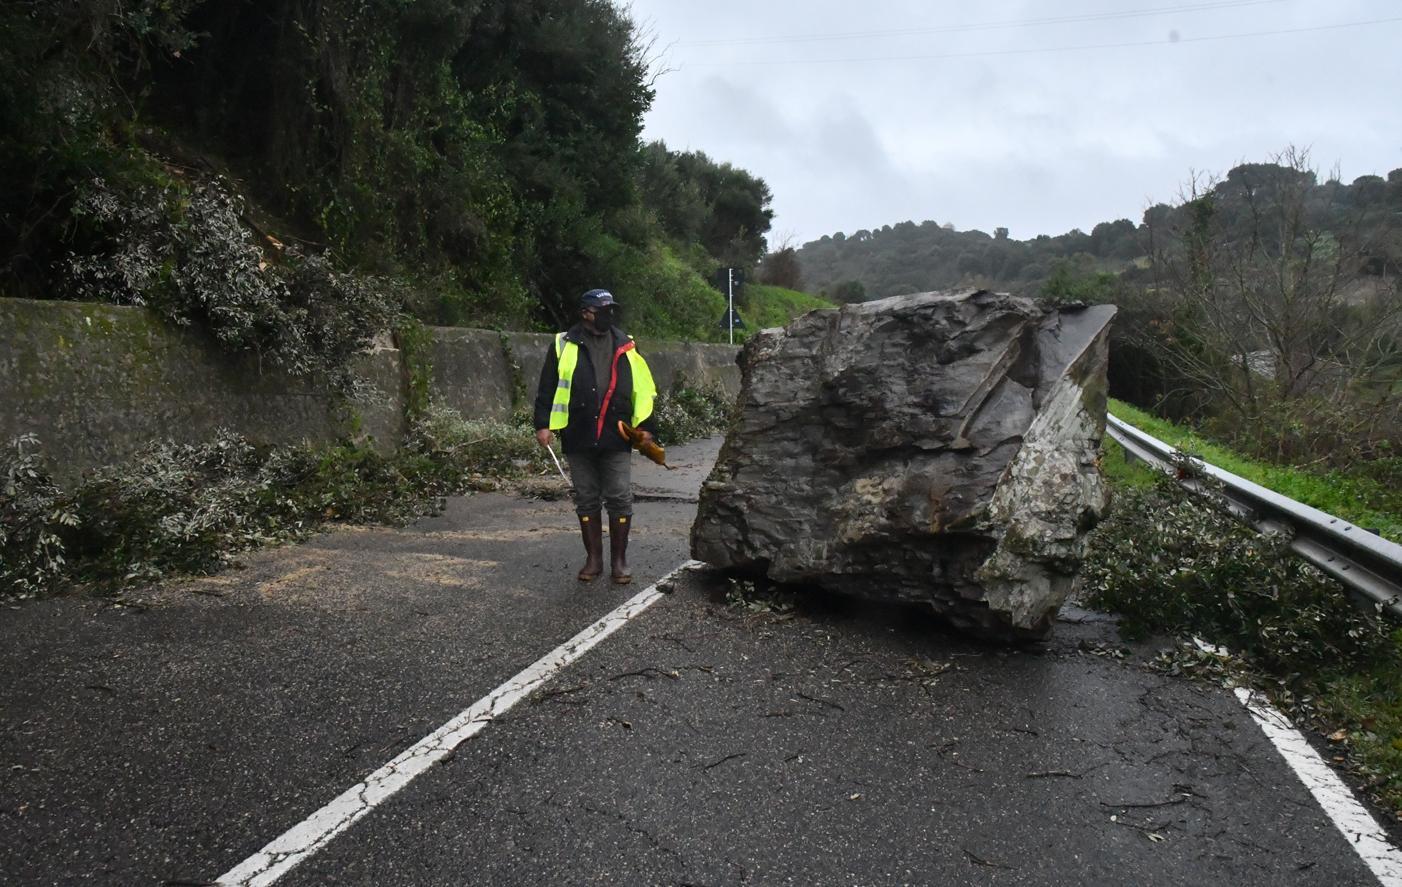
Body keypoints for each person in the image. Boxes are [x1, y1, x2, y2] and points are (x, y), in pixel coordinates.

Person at [534, 289, 658, 585]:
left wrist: (648, 428)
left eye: (611, 309)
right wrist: (543, 424)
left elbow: (644, 388)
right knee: (587, 498)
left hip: (617, 435)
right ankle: (594, 560)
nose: (608, 315)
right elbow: (548, 385)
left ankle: (619, 561)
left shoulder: (626, 344)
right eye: (602, 310)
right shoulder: (563, 343)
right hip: (578, 432)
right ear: (585, 313)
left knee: (619, 496)